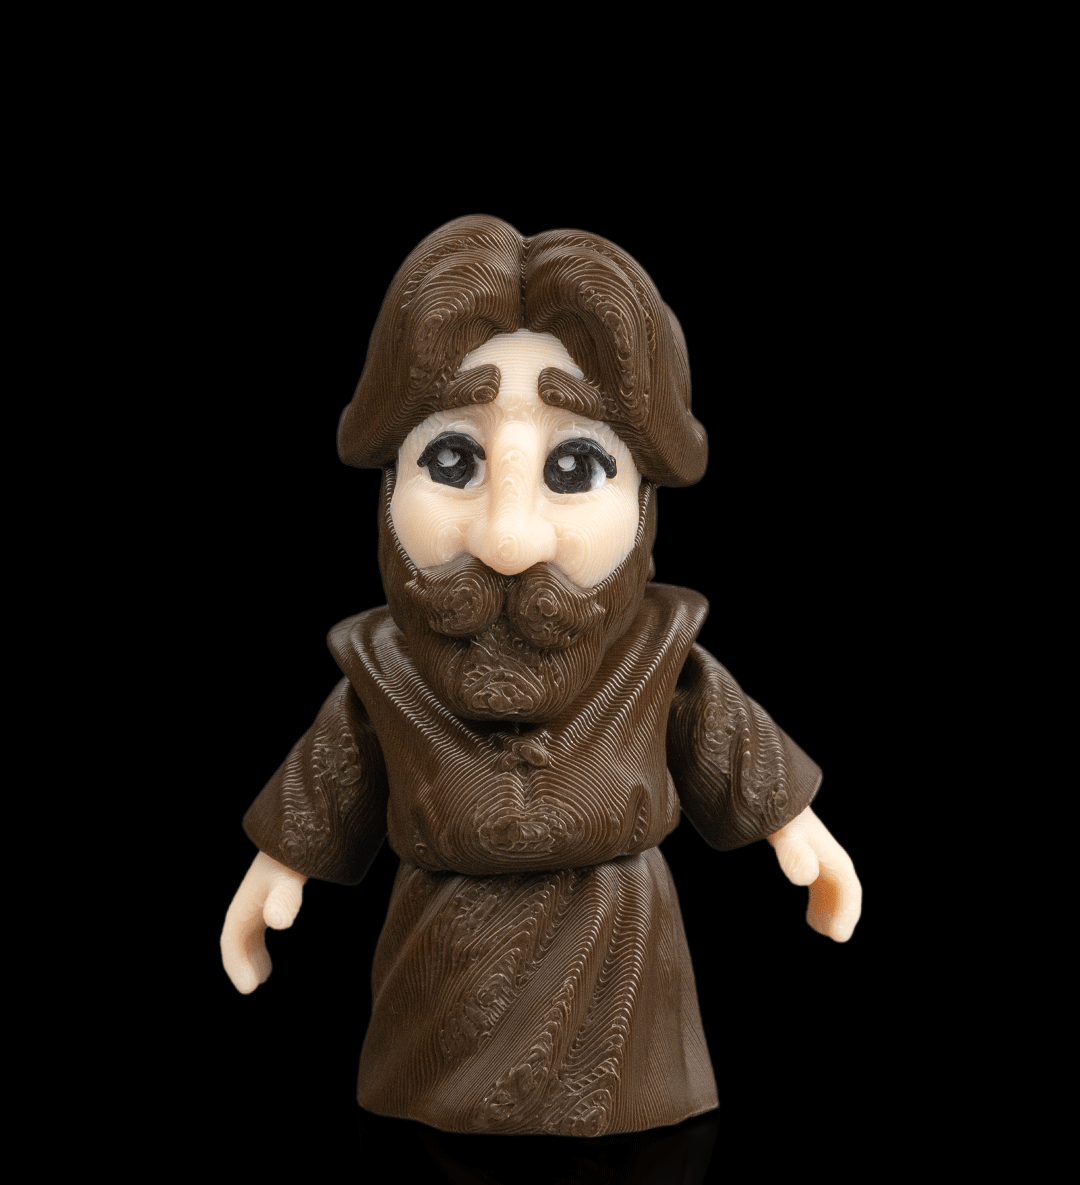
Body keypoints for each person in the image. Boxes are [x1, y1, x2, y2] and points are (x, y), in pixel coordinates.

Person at [220, 216, 861, 1137]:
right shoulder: (386, 673)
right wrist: (280, 869)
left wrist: (796, 829)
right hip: (438, 972)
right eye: (453, 460)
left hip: (622, 980)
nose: (508, 538)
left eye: (574, 465)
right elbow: (332, 776)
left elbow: (724, 738)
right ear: (389, 489)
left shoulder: (656, 657)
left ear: (642, 499)